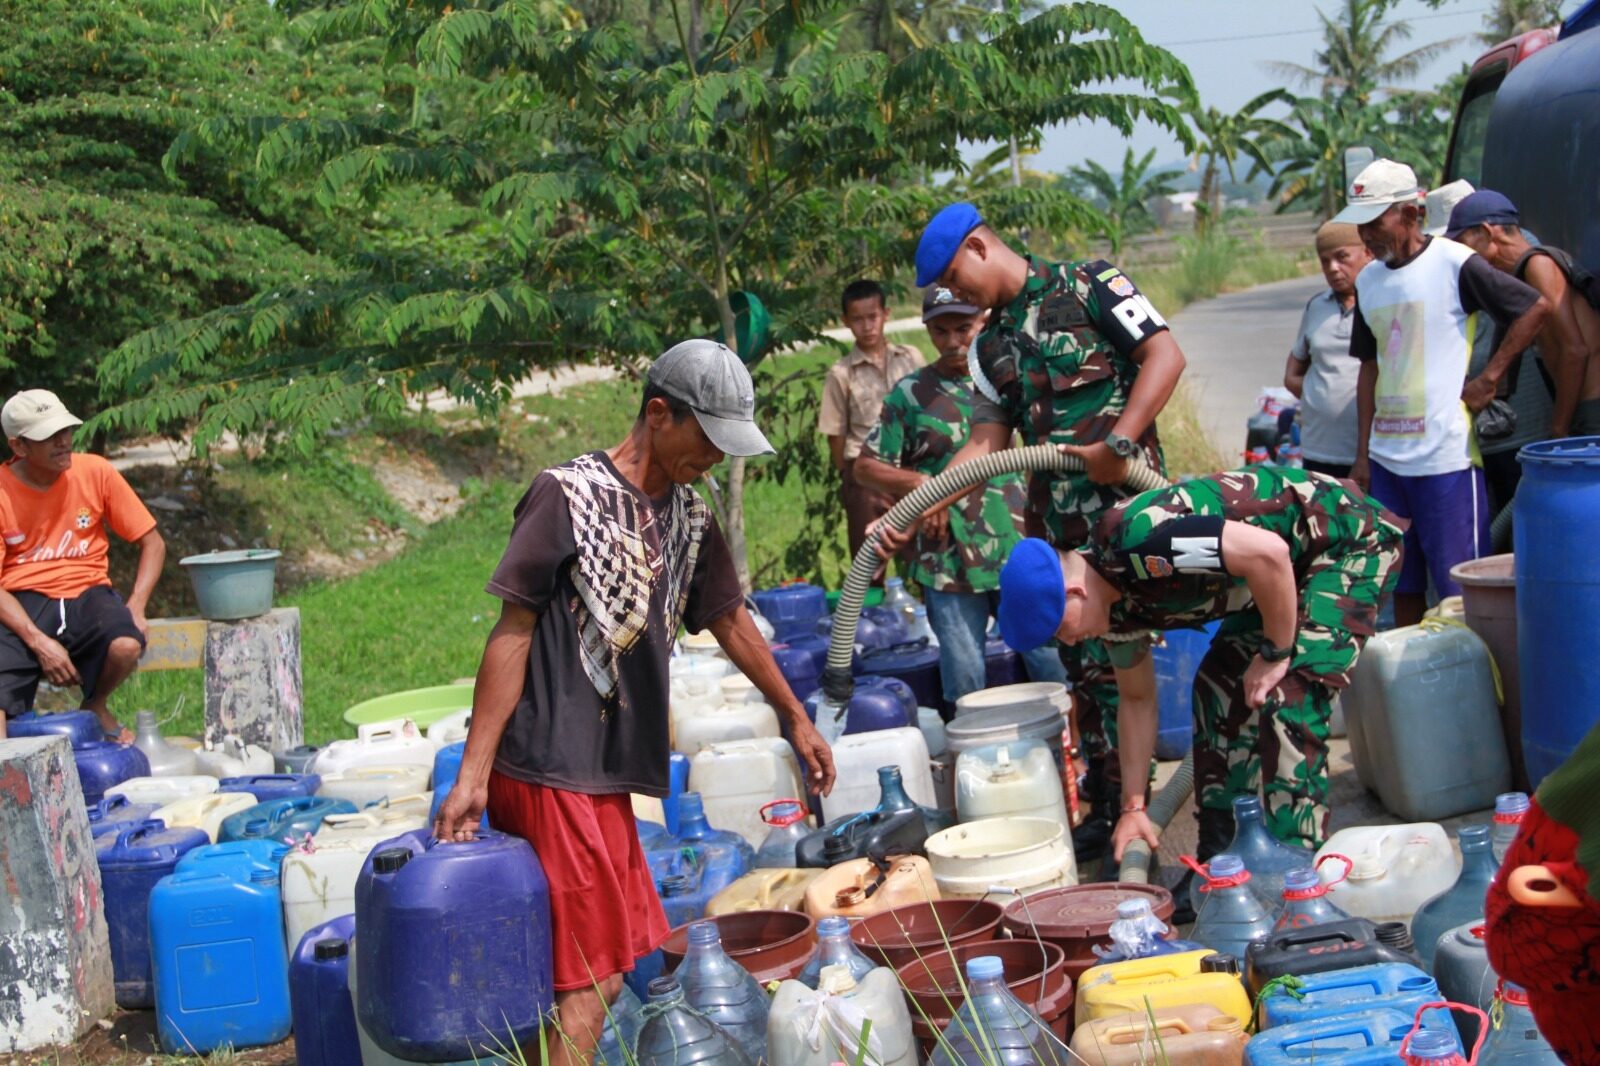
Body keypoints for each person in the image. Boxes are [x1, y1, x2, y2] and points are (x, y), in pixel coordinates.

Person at [432, 340, 834, 1066]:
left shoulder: (687, 514)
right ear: (659, 414)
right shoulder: (568, 495)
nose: (716, 458)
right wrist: (472, 774)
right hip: (552, 768)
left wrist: (794, 714)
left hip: (607, 775)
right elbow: (512, 631)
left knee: (601, 979)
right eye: (708, 439)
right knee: (590, 983)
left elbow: (730, 619)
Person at [883, 201, 1188, 862]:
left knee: (1128, 674)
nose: (953, 295)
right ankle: (1108, 811)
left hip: (1130, 521)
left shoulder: (1092, 284)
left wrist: (1122, 439)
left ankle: (1142, 817)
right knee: (1081, 676)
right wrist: (910, 509)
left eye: (956, 277)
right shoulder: (990, 347)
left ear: (979, 246)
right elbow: (987, 445)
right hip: (1058, 541)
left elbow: (1165, 356)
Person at [996, 466, 1404, 856]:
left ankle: (1295, 875)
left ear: (1074, 593)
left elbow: (1268, 553)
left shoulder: (1140, 540)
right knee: (1217, 691)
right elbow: (1136, 702)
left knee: (1289, 696)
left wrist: (1276, 653)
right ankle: (1223, 860)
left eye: (1059, 628)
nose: (1068, 640)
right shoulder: (1114, 615)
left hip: (1344, 541)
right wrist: (1133, 809)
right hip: (1280, 577)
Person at [1335, 160, 1549, 626]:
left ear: (1411, 214)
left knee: (1460, 591)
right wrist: (1362, 454)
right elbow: (1369, 369)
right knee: (1400, 584)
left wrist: (1490, 377)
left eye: (1376, 222)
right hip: (1388, 461)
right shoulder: (1368, 281)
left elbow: (1534, 307)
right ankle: (1415, 687)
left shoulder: (1454, 263)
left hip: (1446, 459)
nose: (1367, 235)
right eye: (1361, 225)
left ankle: (1476, 691)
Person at [853, 286, 1068, 705]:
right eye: (941, 331)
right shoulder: (912, 394)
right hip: (947, 558)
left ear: (982, 323)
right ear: (928, 331)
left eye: (963, 328)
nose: (953, 342)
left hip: (1017, 544)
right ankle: (973, 762)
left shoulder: (1007, 383)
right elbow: (865, 466)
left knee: (1050, 659)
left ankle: (1069, 756)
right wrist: (918, 485)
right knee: (966, 677)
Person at [0, 390, 164, 743]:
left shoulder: (95, 471)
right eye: (48, 437)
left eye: (66, 430)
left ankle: (95, 705)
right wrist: (38, 641)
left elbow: (153, 543)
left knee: (125, 645)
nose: (63, 442)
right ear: (19, 447)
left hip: (88, 592)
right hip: (22, 600)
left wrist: (136, 605)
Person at [1431, 184, 1559, 515]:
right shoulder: (1479, 257)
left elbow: (1559, 330)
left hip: (1517, 419)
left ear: (1483, 230)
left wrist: (1488, 378)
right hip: (1480, 425)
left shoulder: (1516, 256)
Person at [1450, 189, 1600, 445]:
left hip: (1591, 410)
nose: (1463, 256)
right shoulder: (1524, 274)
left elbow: (1576, 350)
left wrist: (1559, 428)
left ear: (1486, 233)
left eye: (1462, 245)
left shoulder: (1537, 264)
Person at [818, 280, 926, 561]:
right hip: (866, 474)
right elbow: (836, 434)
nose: (867, 326)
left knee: (923, 554)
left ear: (886, 314)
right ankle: (868, 604)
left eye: (872, 317)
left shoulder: (910, 358)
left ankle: (918, 602)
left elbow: (928, 410)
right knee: (869, 557)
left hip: (911, 469)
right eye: (857, 319)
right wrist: (850, 476)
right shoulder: (842, 373)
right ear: (845, 321)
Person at [1283, 221, 1373, 478]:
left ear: (1367, 252)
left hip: (1367, 452)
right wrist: (1317, 395)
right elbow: (1292, 374)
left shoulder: (1381, 301)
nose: (1333, 268)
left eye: (1342, 257)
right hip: (1318, 450)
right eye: (1325, 262)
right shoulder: (1316, 307)